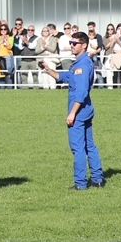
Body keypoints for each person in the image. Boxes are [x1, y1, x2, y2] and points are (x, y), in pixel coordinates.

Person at [39, 32, 105, 191]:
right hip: (87, 110)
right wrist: (48, 70)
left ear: (84, 45)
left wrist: (72, 113)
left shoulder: (82, 65)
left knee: (78, 148)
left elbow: (81, 93)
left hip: (80, 111)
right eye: (71, 42)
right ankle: (98, 179)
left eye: (75, 43)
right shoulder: (80, 63)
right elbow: (66, 77)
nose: (72, 45)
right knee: (90, 146)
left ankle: (81, 184)